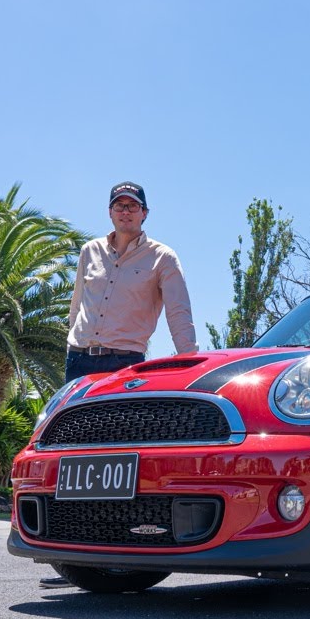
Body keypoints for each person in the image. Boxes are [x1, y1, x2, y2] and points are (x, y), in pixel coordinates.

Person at [40, 180, 197, 589]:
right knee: (68, 458)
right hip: (79, 360)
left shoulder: (163, 257)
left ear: (145, 213)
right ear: (110, 212)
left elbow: (178, 313)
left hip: (124, 364)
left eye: (133, 206)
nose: (125, 211)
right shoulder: (89, 251)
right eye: (118, 205)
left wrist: (190, 365)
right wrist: (71, 337)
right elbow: (77, 304)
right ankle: (66, 552)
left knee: (113, 460)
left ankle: (111, 549)